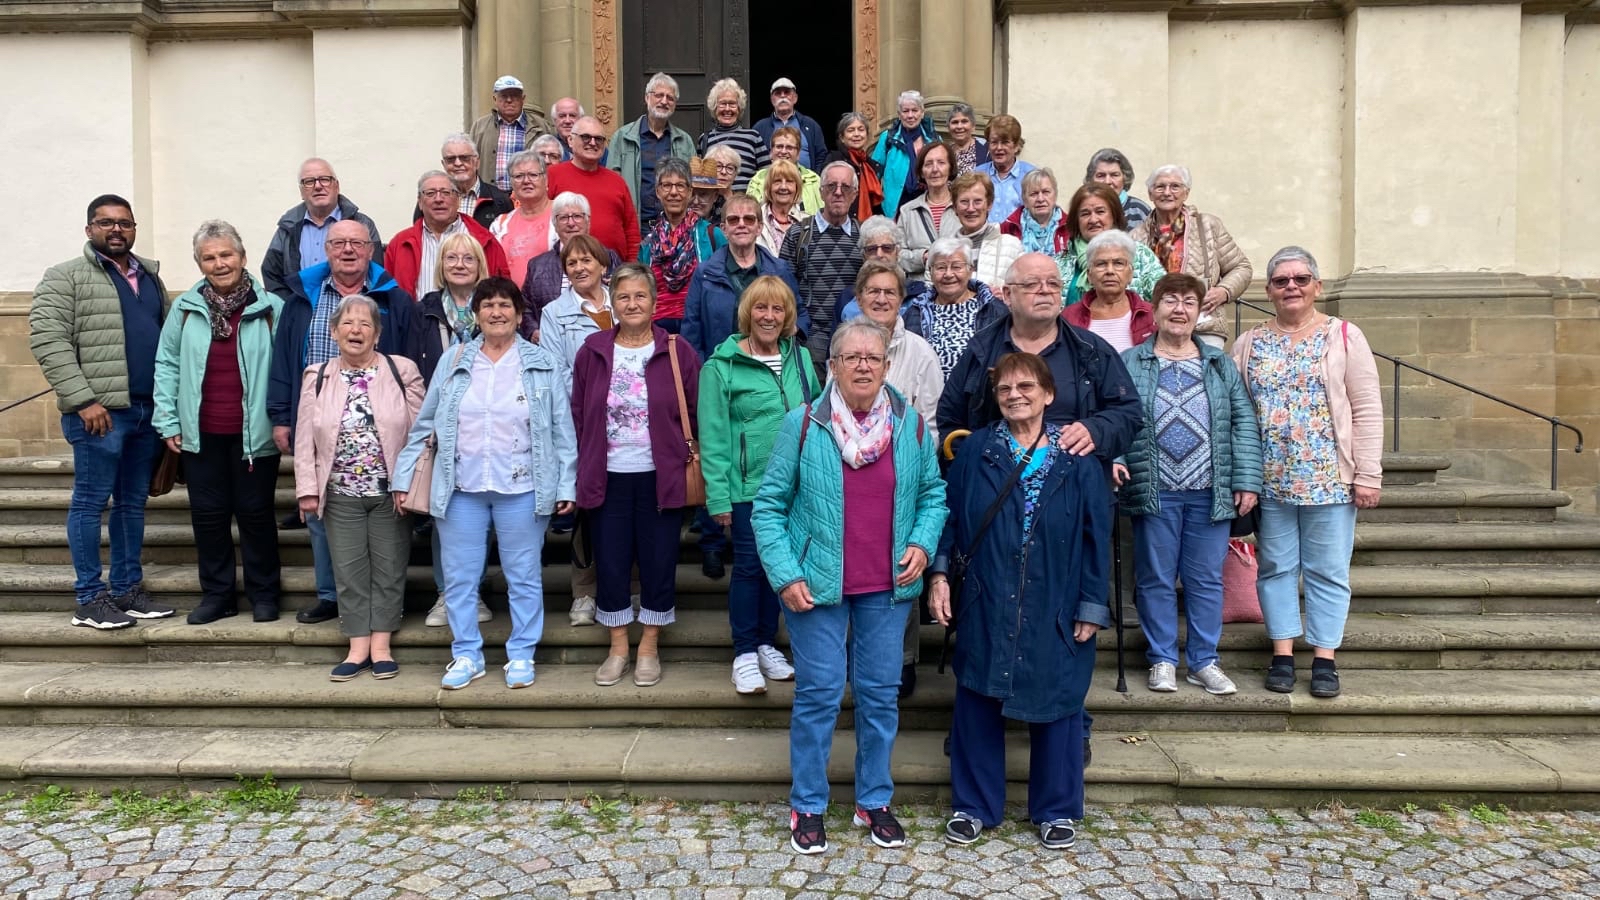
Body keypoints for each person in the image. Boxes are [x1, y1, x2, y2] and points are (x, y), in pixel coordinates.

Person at [752, 318, 947, 855]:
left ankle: (873, 799)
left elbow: (933, 494)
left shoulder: (909, 425)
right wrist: (786, 573)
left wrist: (923, 545)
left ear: (887, 366)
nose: (864, 365)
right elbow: (768, 507)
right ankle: (808, 804)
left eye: (873, 357)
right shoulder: (803, 422)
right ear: (832, 366)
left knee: (881, 697)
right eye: (852, 357)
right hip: (816, 585)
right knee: (817, 696)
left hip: (888, 584)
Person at [928, 352, 1112, 851]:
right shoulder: (976, 450)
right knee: (979, 695)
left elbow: (1100, 534)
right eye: (1005, 389)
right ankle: (973, 806)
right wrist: (940, 574)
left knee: (1057, 697)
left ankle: (1055, 809)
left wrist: (1093, 605)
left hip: (1057, 590)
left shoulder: (1078, 457)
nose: (1014, 395)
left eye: (1026, 386)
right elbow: (950, 518)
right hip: (987, 588)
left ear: (1048, 394)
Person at [392, 277, 578, 690]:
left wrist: (567, 484)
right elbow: (426, 424)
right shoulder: (455, 359)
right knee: (460, 577)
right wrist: (404, 475)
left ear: (518, 312)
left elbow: (561, 429)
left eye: (505, 305)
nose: (497, 312)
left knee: (524, 575)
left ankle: (522, 654)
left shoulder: (541, 361)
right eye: (488, 305)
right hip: (461, 487)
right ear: (476, 314)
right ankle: (466, 654)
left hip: (523, 487)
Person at [1232, 247, 1383, 699]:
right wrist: (1244, 477)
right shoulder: (1249, 344)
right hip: (1271, 480)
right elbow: (1238, 416)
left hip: (1330, 479)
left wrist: (1368, 474)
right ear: (1268, 290)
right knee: (1275, 567)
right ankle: (1281, 654)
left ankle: (1323, 659)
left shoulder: (1344, 336)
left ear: (1317, 286)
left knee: (1328, 569)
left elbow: (1368, 409)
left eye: (1301, 279)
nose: (1291, 287)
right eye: (1281, 281)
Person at [31, 194, 176, 629]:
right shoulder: (65, 278)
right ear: (89, 229)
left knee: (132, 504)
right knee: (91, 503)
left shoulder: (149, 276)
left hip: (145, 412)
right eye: (106, 222)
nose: (116, 230)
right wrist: (84, 400)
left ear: (134, 229)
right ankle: (90, 598)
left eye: (125, 223)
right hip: (99, 415)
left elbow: (166, 340)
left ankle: (127, 589)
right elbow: (48, 341)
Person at [1114, 273, 1261, 695]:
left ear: (1200, 312)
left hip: (1209, 489)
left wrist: (1247, 479)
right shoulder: (1131, 362)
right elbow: (1116, 418)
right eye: (1170, 301)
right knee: (1156, 578)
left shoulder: (1219, 363)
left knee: (1205, 579)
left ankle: (1203, 661)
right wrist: (1118, 459)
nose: (1179, 310)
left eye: (1188, 303)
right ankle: (1162, 658)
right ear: (1155, 309)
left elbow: (1243, 423)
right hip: (1153, 487)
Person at [269, 218, 416, 625]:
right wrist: (281, 415)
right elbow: (284, 358)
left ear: (371, 249)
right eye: (338, 243)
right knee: (320, 513)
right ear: (325, 251)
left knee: (385, 526)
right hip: (318, 413)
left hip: (381, 419)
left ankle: (382, 606)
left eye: (356, 242)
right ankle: (333, 595)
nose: (347, 250)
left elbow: (407, 356)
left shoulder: (392, 297)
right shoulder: (303, 297)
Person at [570, 264, 702, 687]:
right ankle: (617, 647)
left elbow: (697, 414)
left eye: (640, 296)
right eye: (623, 296)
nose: (632, 304)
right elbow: (577, 415)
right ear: (614, 300)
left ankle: (648, 646)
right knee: (609, 562)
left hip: (659, 476)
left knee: (658, 561)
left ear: (653, 301)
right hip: (607, 475)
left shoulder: (677, 350)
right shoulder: (592, 350)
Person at [152, 220, 284, 625]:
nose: (219, 263)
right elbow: (167, 364)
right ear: (200, 264)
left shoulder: (270, 309)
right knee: (208, 517)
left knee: (256, 514)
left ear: (243, 258)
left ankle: (264, 594)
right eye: (209, 258)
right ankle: (218, 595)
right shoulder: (186, 309)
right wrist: (168, 420)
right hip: (200, 432)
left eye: (226, 254)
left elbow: (285, 371)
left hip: (254, 434)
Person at [294, 295, 425, 680]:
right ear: (334, 332)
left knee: (388, 569)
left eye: (365, 324)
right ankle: (357, 647)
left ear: (377, 334)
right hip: (339, 494)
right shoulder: (317, 376)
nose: (356, 330)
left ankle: (381, 645)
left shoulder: (401, 371)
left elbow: (421, 435)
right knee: (349, 572)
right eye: (348, 323)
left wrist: (410, 483)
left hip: (390, 493)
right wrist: (306, 489)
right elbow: (304, 439)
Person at [700, 276, 816, 695]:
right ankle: (745, 652)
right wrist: (718, 497)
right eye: (761, 308)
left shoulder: (801, 359)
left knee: (780, 569)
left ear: (787, 316)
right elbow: (712, 437)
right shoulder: (720, 367)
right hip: (748, 488)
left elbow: (816, 418)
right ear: (748, 313)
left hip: (797, 487)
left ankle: (768, 643)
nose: (769, 316)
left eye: (778, 309)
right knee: (750, 567)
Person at [938, 252, 1141, 461]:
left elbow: (1128, 412)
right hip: (995, 482)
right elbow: (949, 418)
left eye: (1053, 283)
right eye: (1032, 284)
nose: (1045, 290)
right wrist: (975, 464)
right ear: (1007, 294)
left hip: (1075, 481)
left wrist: (1096, 431)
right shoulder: (981, 349)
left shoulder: (1091, 350)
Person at [409, 233, 499, 629]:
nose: (460, 264)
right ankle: (448, 594)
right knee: (444, 511)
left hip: (488, 423)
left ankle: (474, 590)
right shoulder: (424, 311)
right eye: (451, 258)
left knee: (485, 512)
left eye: (468, 258)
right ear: (441, 266)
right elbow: (411, 367)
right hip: (440, 424)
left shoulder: (496, 306)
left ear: (480, 264)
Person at [538, 234, 621, 627]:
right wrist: (597, 398)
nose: (580, 268)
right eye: (572, 264)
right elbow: (557, 370)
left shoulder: (625, 300)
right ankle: (584, 592)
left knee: (625, 508)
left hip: (628, 424)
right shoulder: (555, 313)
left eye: (587, 260)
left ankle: (627, 586)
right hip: (582, 423)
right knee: (586, 507)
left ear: (604, 264)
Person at [1130, 165, 1253, 348]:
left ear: (1186, 193)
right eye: (1160, 187)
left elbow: (1242, 267)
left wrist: (1224, 291)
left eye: (1175, 186)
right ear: (1150, 194)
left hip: (1203, 324)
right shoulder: (1135, 237)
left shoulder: (1208, 226)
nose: (1167, 192)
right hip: (1155, 326)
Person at [684, 194, 803, 362]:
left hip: (769, 367)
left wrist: (790, 330)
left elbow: (801, 315)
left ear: (759, 227)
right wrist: (704, 369)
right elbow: (691, 331)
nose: (741, 225)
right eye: (733, 220)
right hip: (722, 368)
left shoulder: (779, 270)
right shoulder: (704, 274)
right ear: (724, 229)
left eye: (749, 219)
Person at [780, 161, 866, 367]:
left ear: (854, 194)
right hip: (811, 339)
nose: (838, 192)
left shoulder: (866, 236)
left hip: (855, 337)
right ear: (820, 192)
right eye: (831, 186)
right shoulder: (797, 234)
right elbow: (782, 289)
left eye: (845, 187)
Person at [262, 158, 383, 305]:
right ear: (301, 191)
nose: (318, 186)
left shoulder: (362, 224)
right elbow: (271, 274)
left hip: (351, 316)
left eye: (324, 179)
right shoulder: (287, 228)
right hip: (302, 318)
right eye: (309, 181)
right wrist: (292, 308)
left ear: (337, 186)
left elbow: (376, 273)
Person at [385, 171, 510, 300]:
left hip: (472, 319)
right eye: (430, 193)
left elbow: (504, 293)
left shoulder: (485, 240)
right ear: (420, 202)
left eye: (446, 192)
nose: (438, 199)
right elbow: (388, 296)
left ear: (458, 200)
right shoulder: (400, 244)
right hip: (416, 319)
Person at [638, 157, 726, 334]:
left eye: (680, 185)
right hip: (656, 331)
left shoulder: (712, 235)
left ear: (689, 191)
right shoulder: (648, 243)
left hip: (698, 328)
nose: (673, 192)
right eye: (666, 185)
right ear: (657, 191)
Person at [519, 194, 624, 337]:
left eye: (577, 216)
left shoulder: (608, 257)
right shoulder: (537, 265)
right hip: (550, 341)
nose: (571, 223)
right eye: (563, 218)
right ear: (554, 225)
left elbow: (623, 297)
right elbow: (525, 307)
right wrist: (533, 331)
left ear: (588, 221)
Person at [901, 238, 1006, 376]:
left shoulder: (993, 309)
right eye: (941, 267)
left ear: (970, 270)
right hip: (929, 395)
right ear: (931, 272)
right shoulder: (915, 312)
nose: (948, 274)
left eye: (957, 267)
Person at [607, 72, 696, 229]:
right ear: (647, 98)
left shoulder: (685, 141)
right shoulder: (622, 137)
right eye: (659, 95)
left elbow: (693, 183)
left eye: (670, 98)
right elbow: (612, 183)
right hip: (635, 225)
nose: (664, 101)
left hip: (675, 226)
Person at [546, 116, 641, 260]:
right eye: (586, 137)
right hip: (566, 267)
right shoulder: (553, 175)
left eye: (599, 139)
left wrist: (632, 266)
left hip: (614, 270)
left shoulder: (617, 181)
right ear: (570, 140)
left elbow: (631, 230)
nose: (592, 143)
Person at [1059, 183, 1165, 307]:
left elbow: (1166, 298)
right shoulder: (1060, 262)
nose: (1093, 220)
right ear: (1076, 220)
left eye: (1100, 211)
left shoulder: (1139, 254)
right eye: (1085, 214)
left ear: (1114, 216)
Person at [1062, 230, 1157, 353]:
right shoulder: (1069, 317)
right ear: (1089, 275)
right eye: (1101, 264)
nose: (1110, 271)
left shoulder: (1152, 315)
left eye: (1118, 263)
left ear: (1130, 274)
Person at [834, 216, 928, 323]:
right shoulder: (847, 298)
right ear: (864, 256)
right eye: (872, 249)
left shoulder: (919, 294)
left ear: (897, 252)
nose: (879, 254)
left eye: (887, 248)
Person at [469, 75, 550, 191]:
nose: (509, 100)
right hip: (491, 197)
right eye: (504, 96)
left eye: (514, 96)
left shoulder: (542, 127)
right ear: (494, 99)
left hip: (528, 195)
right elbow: (470, 162)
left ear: (523, 99)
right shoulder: (479, 127)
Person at [895, 141, 960, 283]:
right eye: (928, 164)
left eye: (941, 162)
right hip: (920, 290)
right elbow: (896, 255)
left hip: (957, 288)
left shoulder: (963, 207)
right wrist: (923, 257)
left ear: (950, 168)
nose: (935, 169)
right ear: (921, 171)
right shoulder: (908, 211)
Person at [488, 150, 553, 288]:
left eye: (533, 175)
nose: (526, 181)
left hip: (551, 304)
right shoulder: (500, 224)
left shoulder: (563, 216)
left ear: (546, 179)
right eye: (519, 176)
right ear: (511, 183)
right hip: (510, 303)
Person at [420, 134, 513, 230]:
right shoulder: (430, 199)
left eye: (464, 158)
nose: (458, 163)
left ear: (477, 163)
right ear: (444, 164)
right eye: (451, 159)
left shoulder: (500, 200)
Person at [949, 172, 1023, 292]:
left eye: (978, 201)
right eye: (964, 202)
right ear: (955, 208)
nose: (971, 208)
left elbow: (1023, 292)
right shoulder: (940, 251)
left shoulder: (1012, 247)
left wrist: (1005, 297)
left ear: (989, 204)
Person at [870, 91, 937, 218]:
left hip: (926, 200)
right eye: (905, 111)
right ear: (899, 115)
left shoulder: (933, 139)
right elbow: (873, 173)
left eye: (915, 110)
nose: (910, 115)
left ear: (922, 113)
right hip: (895, 204)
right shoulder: (887, 138)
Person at [698, 78, 768, 192]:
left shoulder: (753, 137)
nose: (727, 109)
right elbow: (701, 179)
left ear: (739, 108)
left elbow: (766, 174)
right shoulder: (705, 139)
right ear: (714, 108)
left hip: (747, 205)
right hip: (715, 206)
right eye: (722, 104)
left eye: (732, 104)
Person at [753, 77, 829, 172]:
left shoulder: (811, 125)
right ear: (772, 99)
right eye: (778, 93)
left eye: (787, 92)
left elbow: (821, 156)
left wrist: (815, 179)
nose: (783, 96)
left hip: (806, 182)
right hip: (770, 182)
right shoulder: (760, 127)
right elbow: (753, 158)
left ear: (795, 98)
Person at [746, 129, 823, 219]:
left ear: (798, 153)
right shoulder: (757, 179)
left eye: (789, 147)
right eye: (779, 146)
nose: (783, 151)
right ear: (771, 151)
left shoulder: (814, 179)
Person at [974, 115, 1037, 224]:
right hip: (984, 239)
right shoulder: (977, 175)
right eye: (994, 142)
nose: (999, 148)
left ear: (1016, 146)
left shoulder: (1031, 176)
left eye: (1005, 142)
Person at [824, 113, 884, 220]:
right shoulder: (834, 159)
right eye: (851, 130)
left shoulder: (872, 165)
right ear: (842, 137)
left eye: (861, 130)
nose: (857, 134)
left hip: (868, 226)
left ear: (867, 135)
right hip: (840, 221)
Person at [1001, 168, 1071, 256]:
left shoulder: (1070, 227)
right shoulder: (1008, 228)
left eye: (1046, 192)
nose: (1040, 199)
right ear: (1025, 199)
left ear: (1055, 195)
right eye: (1034, 194)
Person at [1085, 148, 1153, 231]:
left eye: (1114, 175)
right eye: (1101, 175)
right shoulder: (1083, 208)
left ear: (1125, 178)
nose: (1107, 181)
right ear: (1091, 179)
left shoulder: (1140, 210)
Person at [754, 159, 812, 254]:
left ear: (797, 187)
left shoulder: (808, 222)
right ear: (769, 187)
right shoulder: (755, 220)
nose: (783, 187)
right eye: (777, 181)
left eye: (789, 181)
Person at [945, 102, 989, 175]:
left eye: (964, 121)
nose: (959, 126)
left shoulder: (986, 149)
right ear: (948, 128)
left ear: (973, 126)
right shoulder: (945, 152)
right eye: (955, 122)